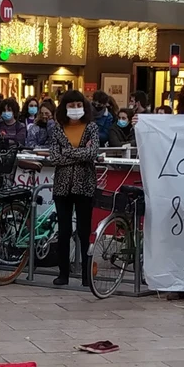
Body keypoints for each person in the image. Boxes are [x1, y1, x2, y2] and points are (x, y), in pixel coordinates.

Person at [44, 90, 103, 288]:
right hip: (62, 186)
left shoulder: (92, 128)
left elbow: (93, 152)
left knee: (84, 231)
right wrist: (79, 153)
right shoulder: (57, 128)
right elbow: (54, 156)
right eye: (71, 105)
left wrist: (67, 152)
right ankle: (63, 274)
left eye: (79, 105)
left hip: (85, 185)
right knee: (64, 230)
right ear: (64, 107)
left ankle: (87, 275)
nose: (75, 109)